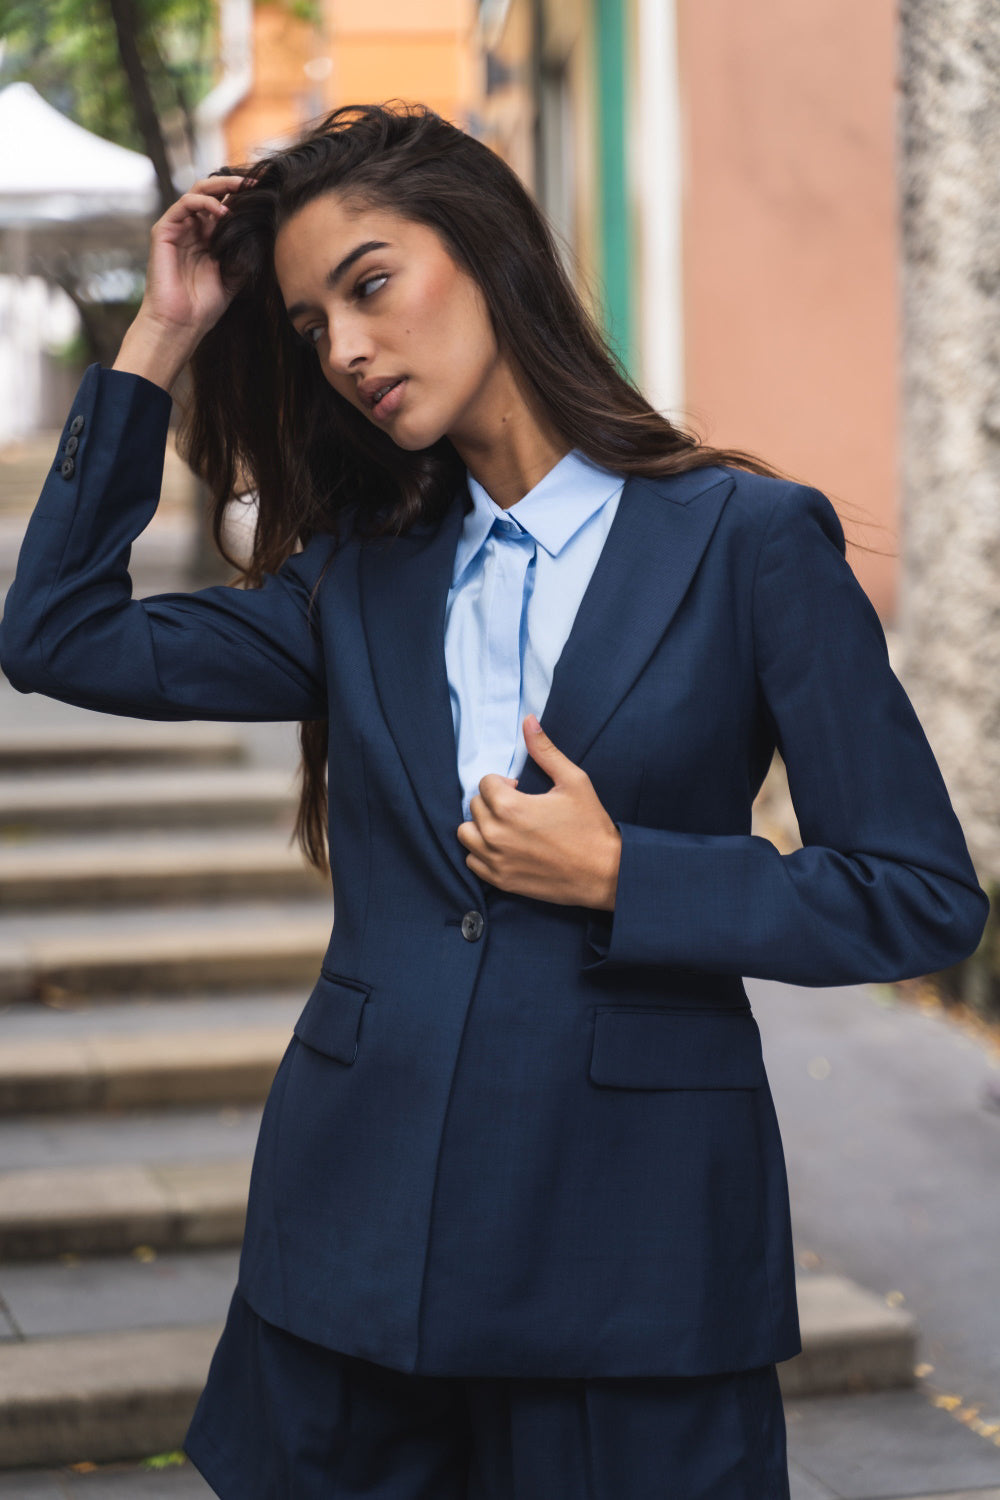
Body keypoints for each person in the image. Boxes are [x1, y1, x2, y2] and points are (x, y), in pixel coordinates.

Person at [0, 102, 988, 1500]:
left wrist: (629, 874)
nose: (342, 348)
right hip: (359, 1250)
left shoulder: (747, 545)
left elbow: (920, 894)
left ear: (486, 252)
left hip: (629, 1262)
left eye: (371, 283)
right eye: (305, 325)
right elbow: (54, 637)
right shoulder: (358, 575)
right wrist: (165, 333)